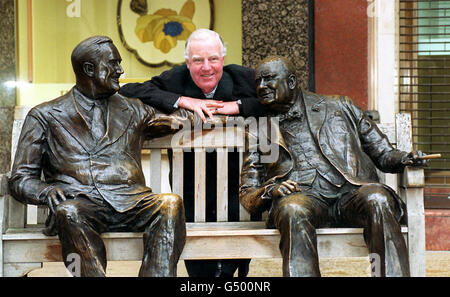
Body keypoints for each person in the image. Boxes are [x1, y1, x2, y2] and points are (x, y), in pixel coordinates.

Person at [8, 36, 197, 277]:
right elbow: (20, 179)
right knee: (69, 212)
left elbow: (182, 120)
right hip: (82, 204)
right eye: (113, 63)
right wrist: (45, 192)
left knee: (170, 204)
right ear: (89, 69)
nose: (120, 70)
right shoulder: (45, 116)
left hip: (131, 202)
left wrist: (216, 110)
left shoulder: (134, 109)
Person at [239, 56, 428, 277]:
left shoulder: (340, 106)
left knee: (378, 198)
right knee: (292, 209)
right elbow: (248, 193)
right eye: (258, 82)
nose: (262, 87)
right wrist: (270, 191)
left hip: (352, 194)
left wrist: (406, 158)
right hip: (304, 199)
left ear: (291, 82)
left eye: (269, 79)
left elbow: (383, 153)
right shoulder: (258, 129)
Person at [119, 29, 265, 277]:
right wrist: (183, 100)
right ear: (188, 63)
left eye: (213, 59)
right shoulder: (176, 79)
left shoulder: (242, 78)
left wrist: (236, 106)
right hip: (189, 183)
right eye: (198, 60)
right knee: (195, 248)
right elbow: (128, 91)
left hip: (235, 182)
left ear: (223, 59)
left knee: (232, 242)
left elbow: (282, 98)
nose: (206, 67)